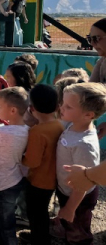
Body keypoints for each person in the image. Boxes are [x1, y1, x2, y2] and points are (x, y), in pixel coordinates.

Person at [51, 82, 106, 244]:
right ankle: (64, 228)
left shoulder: (84, 144)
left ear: (88, 115)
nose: (61, 107)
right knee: (68, 221)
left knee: (78, 230)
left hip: (78, 197)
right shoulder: (74, 125)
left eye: (68, 107)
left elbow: (84, 183)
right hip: (66, 189)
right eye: (63, 103)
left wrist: (70, 207)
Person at [0, 87, 30, 245]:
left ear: (12, 110)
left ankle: (8, 241)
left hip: (2, 181)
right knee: (5, 213)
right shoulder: (28, 129)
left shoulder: (2, 132)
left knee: (5, 219)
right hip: (16, 178)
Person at [21, 84, 64, 245]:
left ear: (31, 108)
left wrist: (19, 158)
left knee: (35, 213)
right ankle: (40, 237)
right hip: (52, 179)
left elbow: (32, 161)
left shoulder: (37, 131)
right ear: (57, 106)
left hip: (38, 182)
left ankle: (39, 239)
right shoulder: (58, 125)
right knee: (42, 213)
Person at [88, 17, 106, 84]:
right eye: (90, 39)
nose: (92, 43)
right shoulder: (102, 61)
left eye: (96, 38)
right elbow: (91, 87)